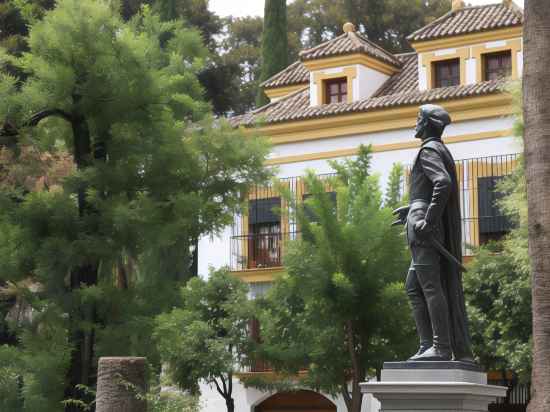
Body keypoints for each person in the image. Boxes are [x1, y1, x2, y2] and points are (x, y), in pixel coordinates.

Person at [392, 104, 473, 362]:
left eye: (418, 119)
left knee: (429, 286)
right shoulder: (437, 149)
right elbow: (430, 189)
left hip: (423, 228)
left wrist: (427, 217)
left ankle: (441, 347)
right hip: (419, 220)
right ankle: (427, 345)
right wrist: (413, 207)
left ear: (427, 124)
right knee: (414, 287)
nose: (415, 123)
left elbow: (442, 183)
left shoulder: (428, 150)